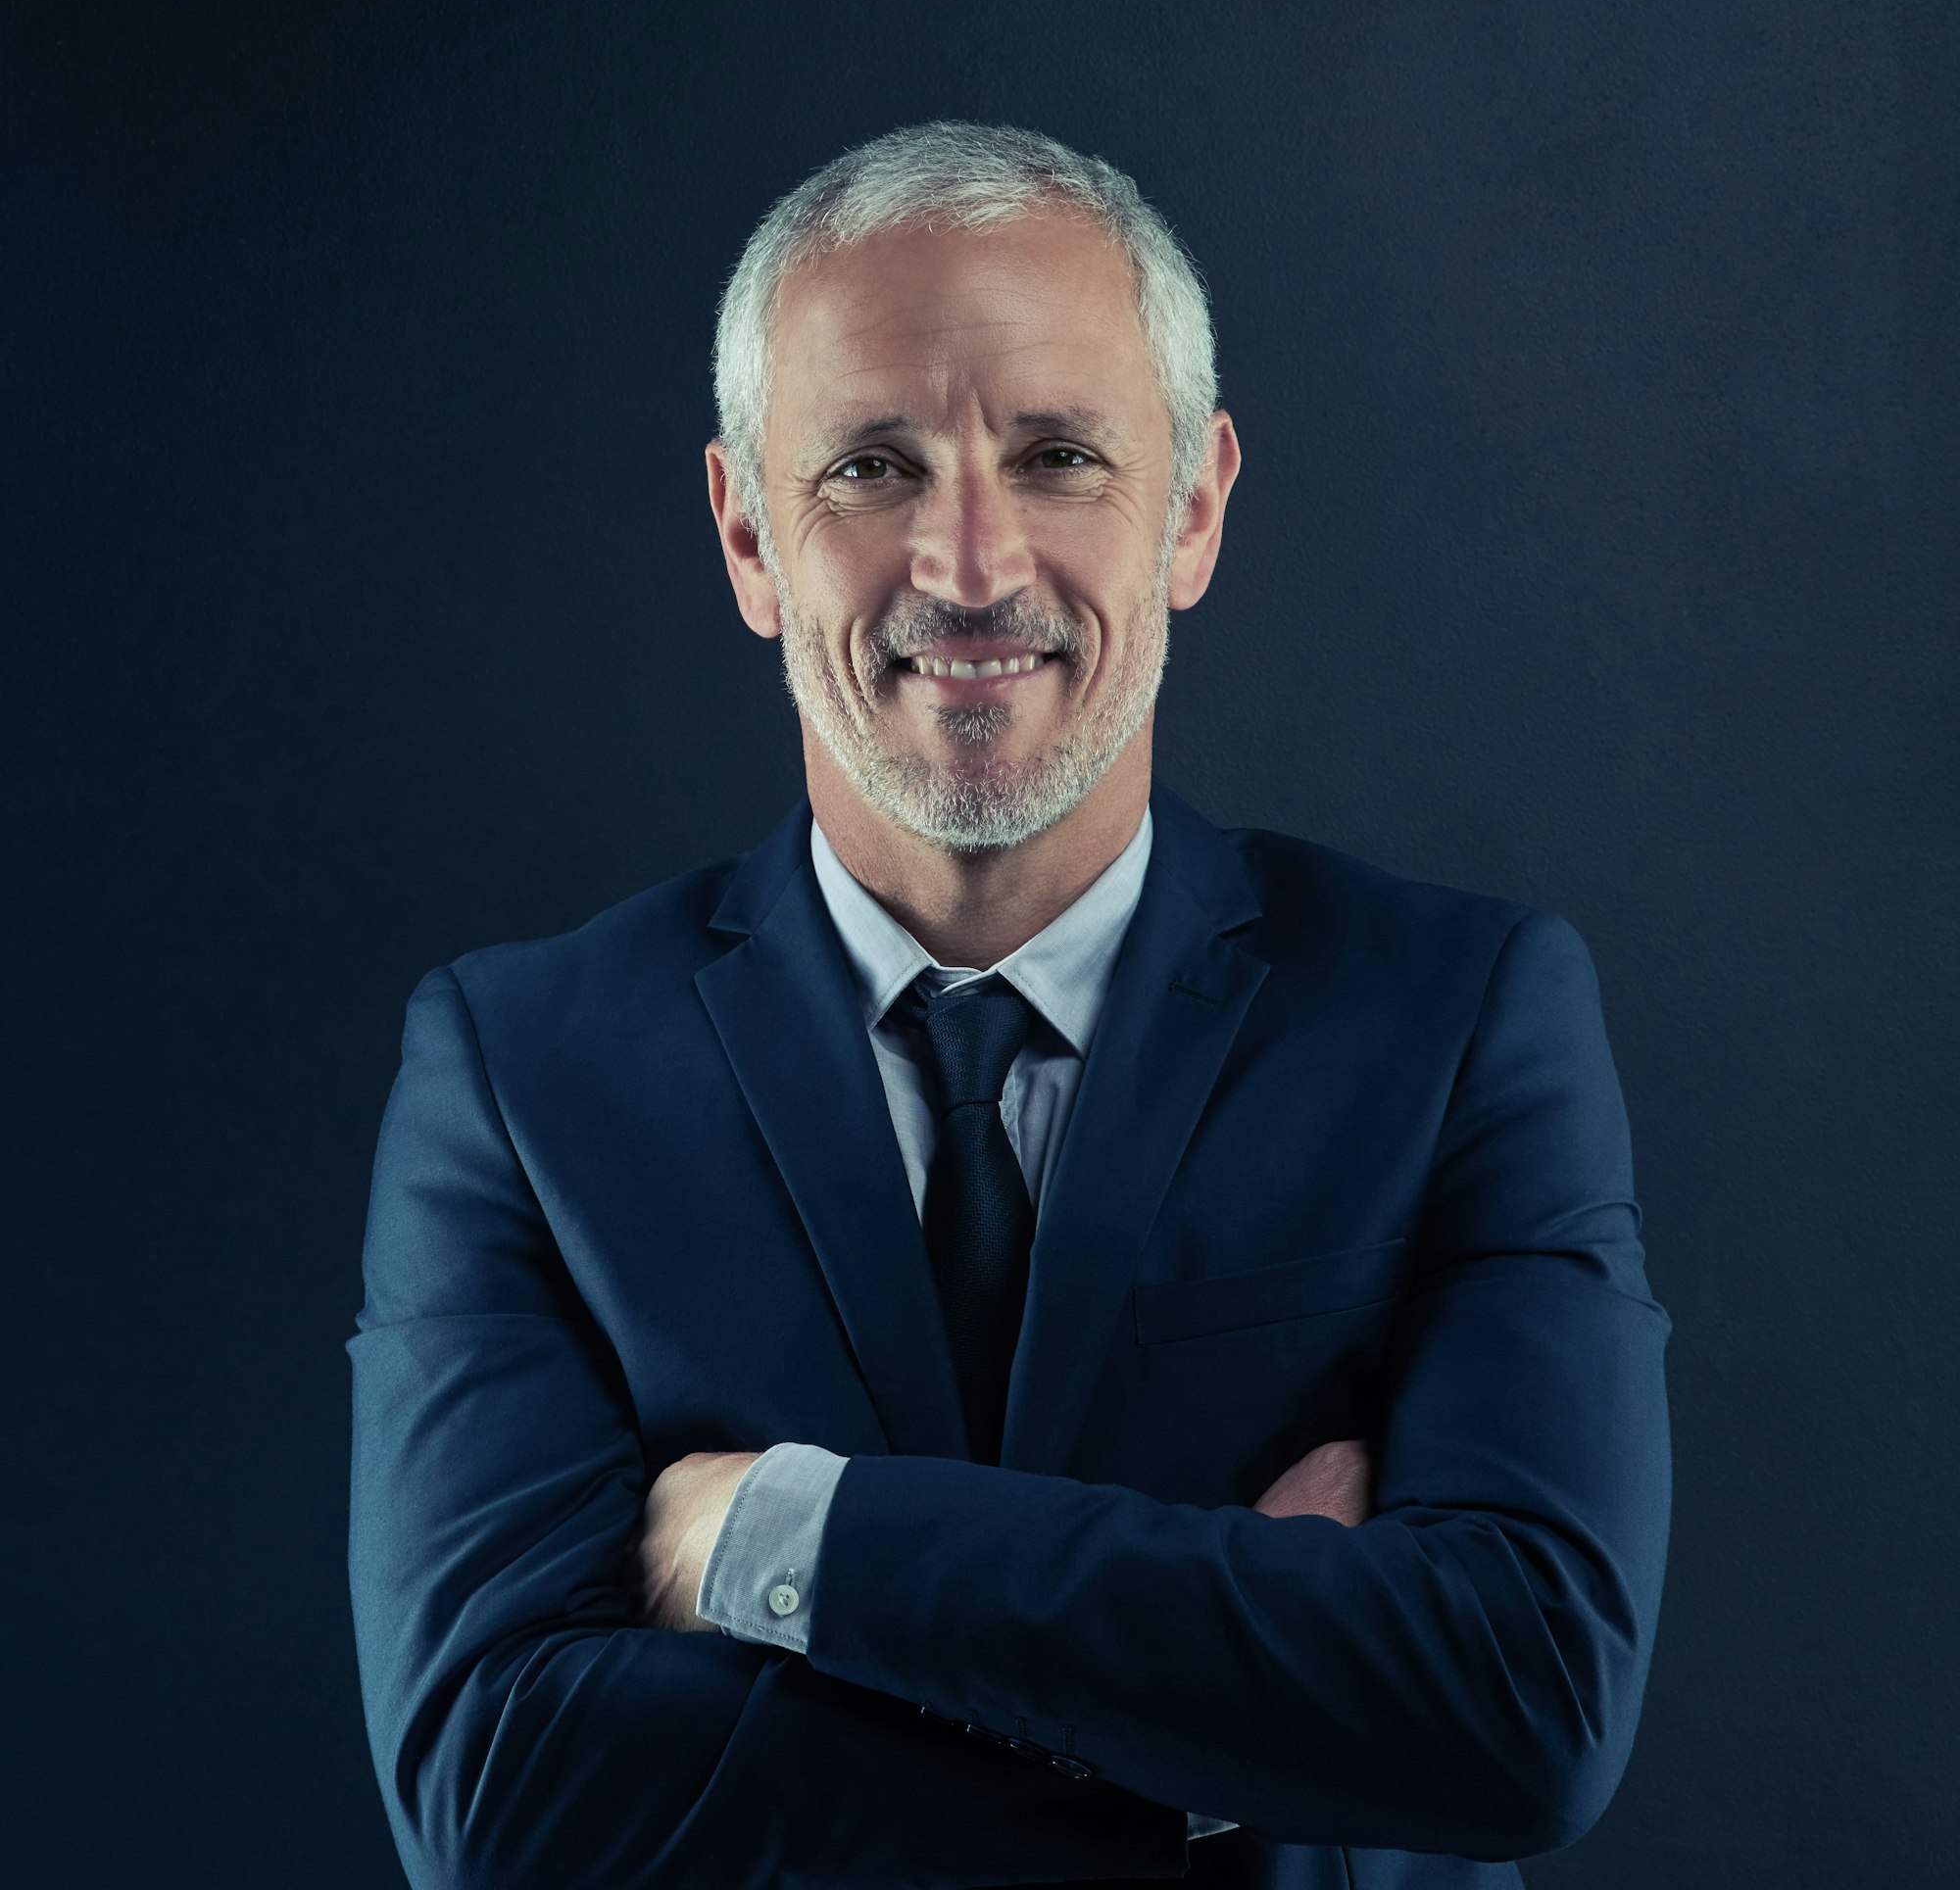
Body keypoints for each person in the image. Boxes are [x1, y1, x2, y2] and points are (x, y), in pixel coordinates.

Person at [347, 120, 1672, 1890]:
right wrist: (1240, 1728)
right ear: (748, 536)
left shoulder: (1458, 1018)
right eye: (871, 468)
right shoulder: (521, 1075)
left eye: (1057, 456)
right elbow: (502, 1803)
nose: (969, 568)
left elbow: (1526, 1703)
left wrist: (781, 1534)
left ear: (1192, 510)